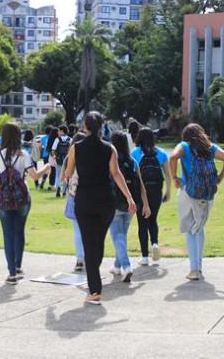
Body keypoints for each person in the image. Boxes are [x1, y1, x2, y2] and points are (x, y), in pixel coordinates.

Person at [63, 111, 137, 305]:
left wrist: (65, 174)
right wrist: (129, 197)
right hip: (105, 200)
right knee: (99, 241)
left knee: (89, 243)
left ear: (85, 127)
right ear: (102, 127)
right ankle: (94, 281)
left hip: (85, 199)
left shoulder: (76, 148)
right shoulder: (109, 148)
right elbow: (116, 173)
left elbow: (69, 173)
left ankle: (95, 290)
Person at [169, 123, 224, 281]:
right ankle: (199, 266)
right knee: (199, 227)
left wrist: (174, 177)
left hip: (188, 192)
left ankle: (194, 269)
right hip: (207, 193)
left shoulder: (184, 146)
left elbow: (173, 157)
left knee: (191, 229)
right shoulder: (210, 148)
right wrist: (219, 178)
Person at [0, 123, 51, 285]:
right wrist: (46, 168)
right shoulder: (23, 154)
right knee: (19, 231)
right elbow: (35, 176)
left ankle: (11, 273)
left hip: (3, 198)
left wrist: (2, 178)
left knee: (7, 234)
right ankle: (18, 266)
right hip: (22, 197)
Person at [109, 132, 151, 282]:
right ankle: (116, 266)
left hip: (114, 204)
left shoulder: (110, 160)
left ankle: (126, 267)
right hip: (132, 205)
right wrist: (145, 204)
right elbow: (141, 185)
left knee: (117, 236)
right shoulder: (132, 161)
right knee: (121, 236)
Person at [131, 127, 173, 265]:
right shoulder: (161, 153)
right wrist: (168, 191)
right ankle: (154, 243)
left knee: (142, 222)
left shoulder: (135, 153)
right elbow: (167, 174)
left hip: (140, 192)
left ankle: (144, 256)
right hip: (156, 190)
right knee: (153, 219)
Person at [60, 132, 87, 272]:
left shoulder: (68, 158)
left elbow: (62, 177)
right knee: (89, 230)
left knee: (77, 230)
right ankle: (89, 258)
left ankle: (79, 259)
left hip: (73, 195)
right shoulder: (90, 157)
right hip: (89, 195)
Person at [51, 125, 71, 198]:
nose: (58, 132)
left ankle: (58, 189)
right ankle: (64, 191)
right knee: (66, 175)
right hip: (67, 160)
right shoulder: (70, 139)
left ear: (62, 131)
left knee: (58, 175)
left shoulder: (57, 139)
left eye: (59, 130)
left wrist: (54, 156)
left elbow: (53, 150)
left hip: (58, 159)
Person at [45, 126, 59, 191]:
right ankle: (57, 184)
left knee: (52, 171)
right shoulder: (57, 139)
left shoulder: (50, 139)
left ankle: (51, 184)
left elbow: (48, 148)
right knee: (57, 171)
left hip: (51, 156)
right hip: (57, 156)